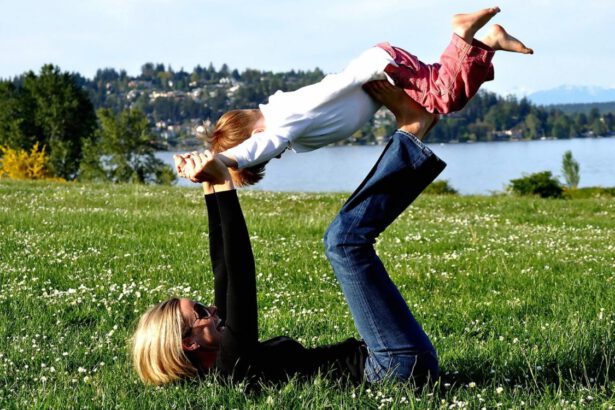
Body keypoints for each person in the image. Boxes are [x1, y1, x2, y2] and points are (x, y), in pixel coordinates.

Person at [133, 82, 448, 386]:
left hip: (390, 360)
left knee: (344, 240)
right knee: (343, 242)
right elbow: (241, 279)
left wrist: (209, 184)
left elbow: (224, 270)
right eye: (201, 312)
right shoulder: (231, 369)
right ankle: (412, 130)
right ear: (188, 343)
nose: (214, 309)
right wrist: (225, 185)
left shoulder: (224, 357)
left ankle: (412, 132)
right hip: (393, 367)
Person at [178, 7, 533, 186]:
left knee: (443, 98)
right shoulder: (286, 113)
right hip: (381, 67)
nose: (276, 154)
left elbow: (262, 145)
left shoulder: (283, 122)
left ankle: (465, 33)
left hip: (381, 67)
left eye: (267, 159)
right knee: (442, 98)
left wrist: (224, 161)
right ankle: (486, 44)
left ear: (256, 137)